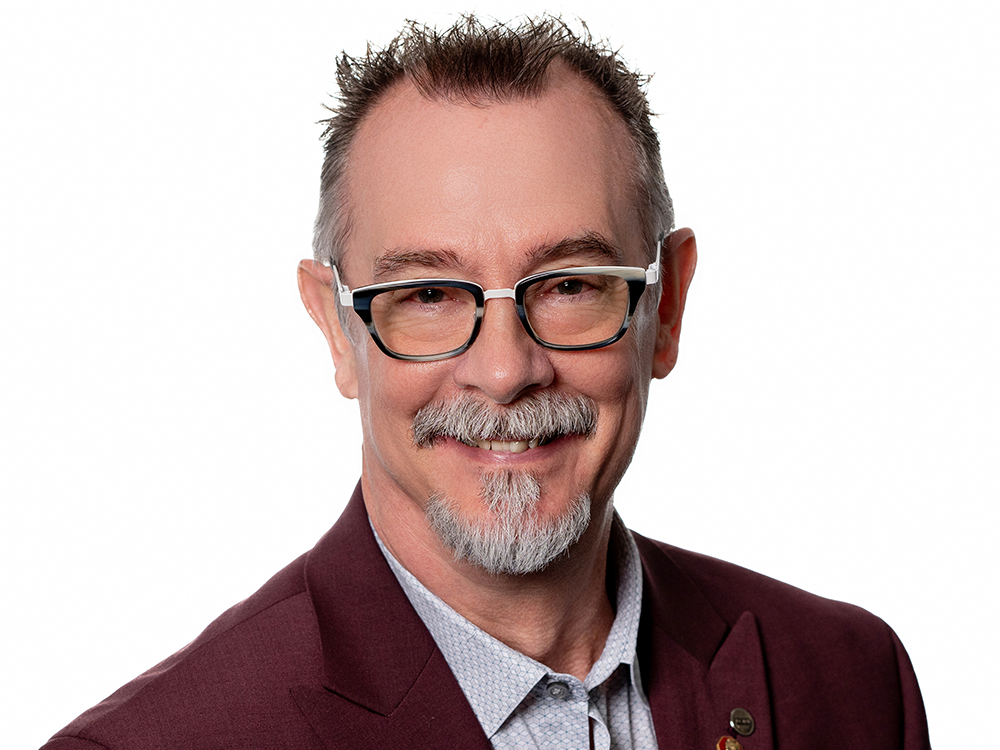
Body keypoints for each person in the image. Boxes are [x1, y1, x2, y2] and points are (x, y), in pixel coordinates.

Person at [41, 15, 930, 750]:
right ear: (337, 329)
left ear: (667, 307)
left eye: (570, 285)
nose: (505, 371)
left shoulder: (851, 683)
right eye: (427, 294)